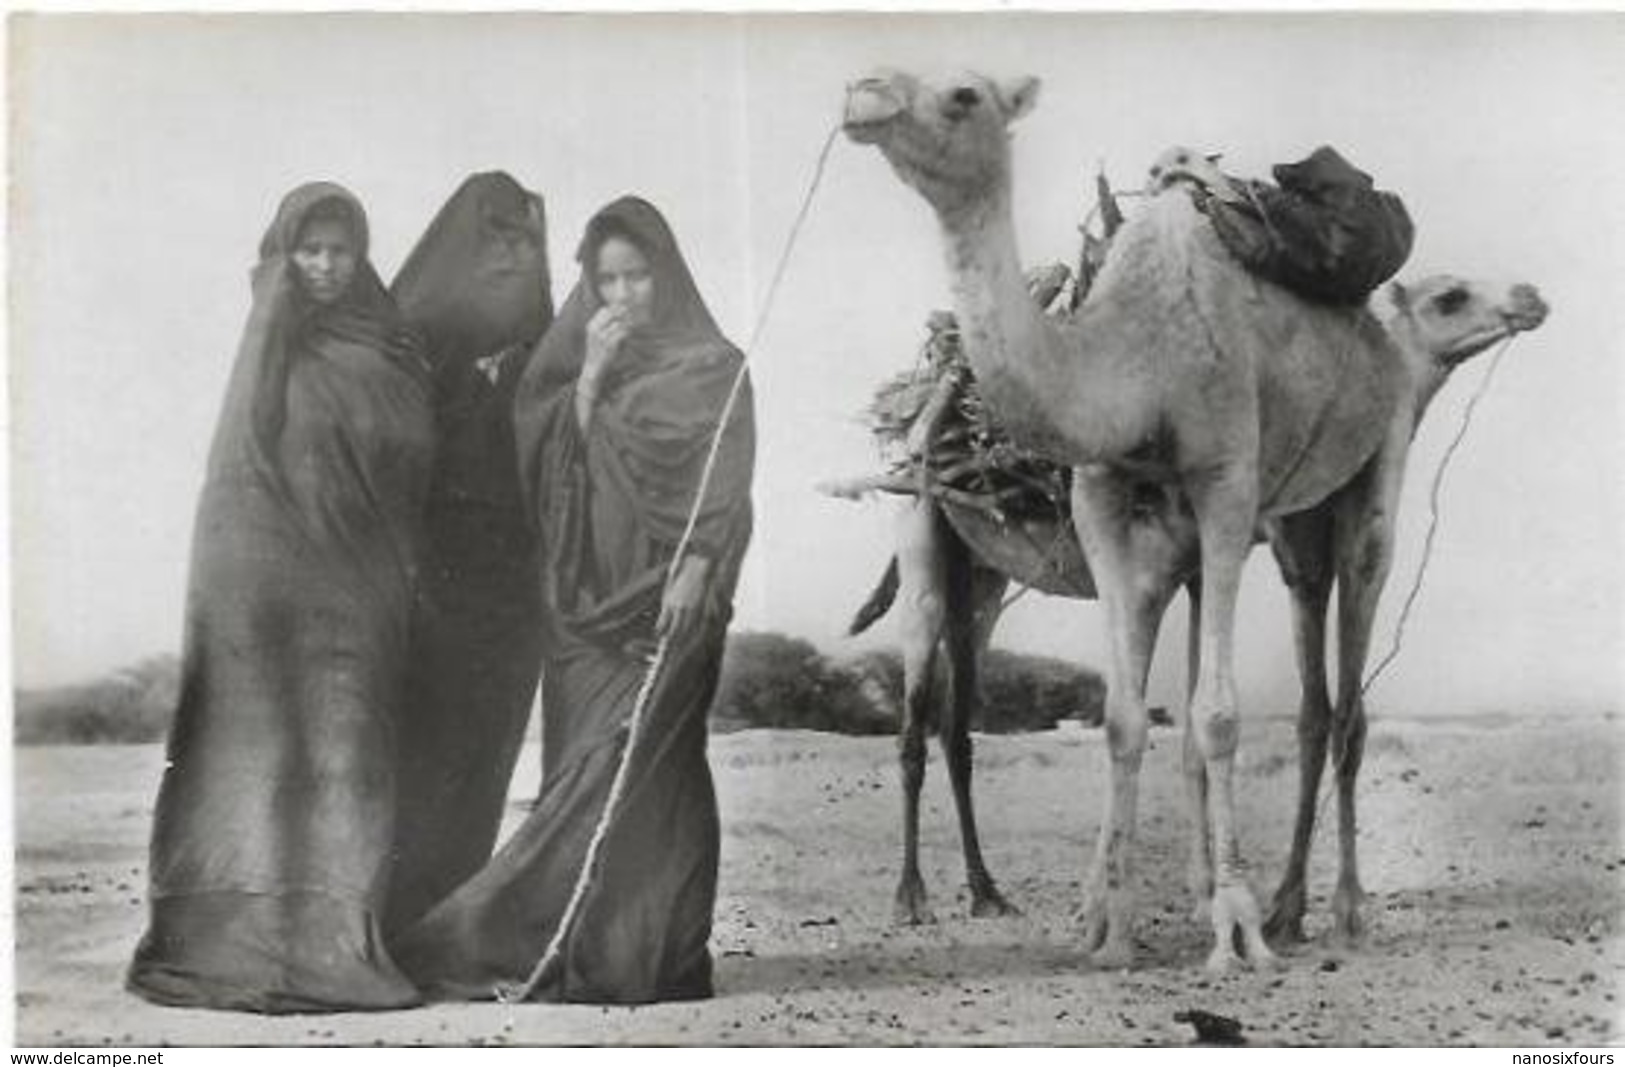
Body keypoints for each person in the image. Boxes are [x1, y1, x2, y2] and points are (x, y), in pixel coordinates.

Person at [392, 196, 755, 1005]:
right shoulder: (568, 369)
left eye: (637, 277)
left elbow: (730, 482)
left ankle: (661, 953)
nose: (623, 296)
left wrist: (699, 561)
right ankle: (581, 942)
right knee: (583, 771)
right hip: (584, 605)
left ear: (666, 275)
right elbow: (550, 468)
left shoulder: (717, 367)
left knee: (656, 770)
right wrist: (589, 376)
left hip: (674, 597)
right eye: (607, 280)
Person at [127, 183, 432, 1013]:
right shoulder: (265, 345)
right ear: (282, 255)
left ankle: (337, 945)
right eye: (310, 249)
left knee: (349, 758)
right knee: (261, 756)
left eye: (341, 249)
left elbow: (412, 473)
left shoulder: (391, 350)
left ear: (362, 254)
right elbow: (238, 476)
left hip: (362, 593)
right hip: (267, 592)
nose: (326, 265)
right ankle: (230, 942)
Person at [381, 172, 554, 936]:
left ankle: (440, 921)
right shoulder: (412, 325)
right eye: (497, 240)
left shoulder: (540, 332)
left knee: (483, 750)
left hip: (511, 576)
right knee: (420, 748)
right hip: (430, 570)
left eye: (524, 240)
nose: (513, 257)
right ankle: (389, 922)